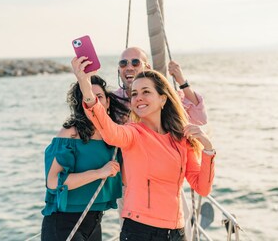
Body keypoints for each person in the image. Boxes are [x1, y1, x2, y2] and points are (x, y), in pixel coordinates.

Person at [72, 56, 216, 241]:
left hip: (177, 232)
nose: (138, 97)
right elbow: (109, 130)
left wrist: (208, 149)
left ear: (163, 99)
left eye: (146, 91)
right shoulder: (133, 133)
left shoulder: (181, 139)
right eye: (134, 94)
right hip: (140, 231)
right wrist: (85, 86)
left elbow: (202, 187)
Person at [41, 75, 130, 241]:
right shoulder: (71, 133)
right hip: (64, 223)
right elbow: (53, 182)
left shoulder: (113, 137)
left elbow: (126, 177)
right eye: (88, 96)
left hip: (95, 222)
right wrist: (98, 173)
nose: (94, 101)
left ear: (108, 103)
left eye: (100, 97)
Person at [115, 47, 207, 125]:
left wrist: (182, 82)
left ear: (147, 68)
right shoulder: (113, 100)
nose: (129, 68)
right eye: (123, 63)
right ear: (119, 70)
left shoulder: (164, 95)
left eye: (135, 62)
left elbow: (200, 119)